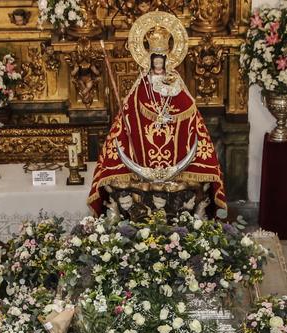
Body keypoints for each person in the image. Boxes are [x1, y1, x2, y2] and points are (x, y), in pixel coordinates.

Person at [88, 11, 226, 216]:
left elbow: (189, 108)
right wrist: (128, 112)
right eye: (155, 60)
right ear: (150, 60)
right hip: (140, 157)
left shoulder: (176, 81)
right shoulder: (142, 83)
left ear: (167, 59)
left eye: (162, 60)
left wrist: (170, 112)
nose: (159, 64)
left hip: (177, 155)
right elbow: (130, 109)